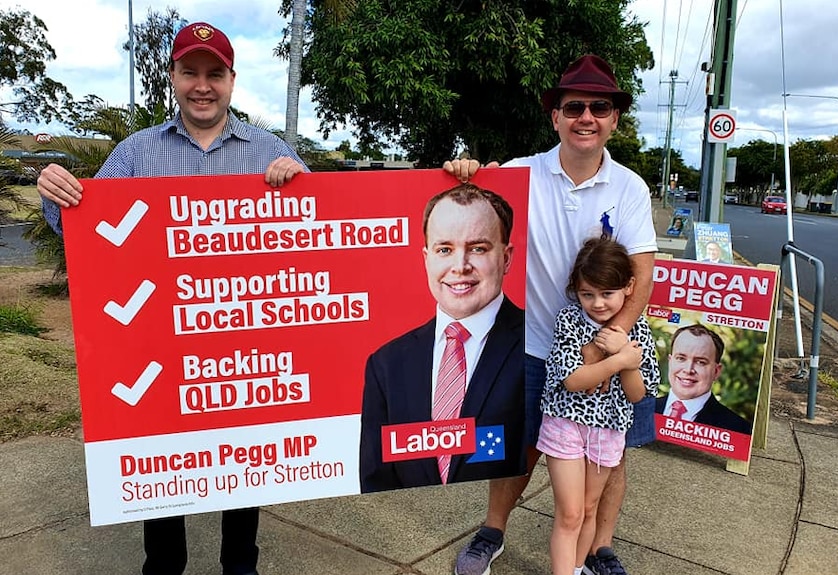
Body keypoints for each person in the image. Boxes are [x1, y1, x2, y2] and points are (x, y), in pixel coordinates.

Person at [36, 21, 308, 575]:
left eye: (214, 73)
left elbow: (315, 239)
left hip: (239, 349)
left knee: (243, 466)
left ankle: (242, 565)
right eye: (190, 72)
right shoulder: (137, 153)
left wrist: (303, 182)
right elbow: (83, 232)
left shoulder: (269, 150)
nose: (202, 85)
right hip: (158, 340)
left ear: (232, 80)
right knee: (164, 469)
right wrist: (57, 195)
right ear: (174, 78)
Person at [444, 53, 657, 575]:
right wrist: (464, 174)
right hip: (533, 345)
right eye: (574, 106)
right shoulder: (519, 175)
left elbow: (642, 273)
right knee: (519, 450)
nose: (587, 117)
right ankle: (492, 532)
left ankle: (599, 549)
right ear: (555, 117)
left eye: (599, 107)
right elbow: (464, 209)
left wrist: (611, 341)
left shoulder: (630, 187)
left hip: (607, 344)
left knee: (611, 452)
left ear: (614, 119)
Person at [360, 183, 525, 492]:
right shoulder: (386, 364)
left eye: (478, 248)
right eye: (444, 249)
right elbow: (376, 478)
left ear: (506, 257)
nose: (459, 267)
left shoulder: (534, 344)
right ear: (427, 258)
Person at [539, 237, 659, 575]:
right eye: (587, 294)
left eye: (607, 293)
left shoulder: (638, 330)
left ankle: (578, 567)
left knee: (590, 508)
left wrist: (631, 363)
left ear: (628, 287)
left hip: (608, 429)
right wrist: (619, 358)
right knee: (571, 513)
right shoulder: (569, 321)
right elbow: (573, 380)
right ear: (575, 290)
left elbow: (638, 394)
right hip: (565, 423)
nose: (597, 303)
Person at [656, 324, 752, 434]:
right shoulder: (639, 410)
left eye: (700, 362)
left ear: (716, 371)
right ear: (670, 361)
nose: (688, 370)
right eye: (681, 358)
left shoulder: (739, 429)